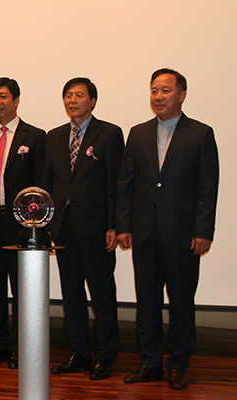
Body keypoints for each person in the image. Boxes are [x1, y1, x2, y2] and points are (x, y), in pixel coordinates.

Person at [117, 68, 219, 390]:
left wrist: (204, 231)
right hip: (144, 232)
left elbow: (208, 186)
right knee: (146, 301)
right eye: (154, 91)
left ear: (182, 95)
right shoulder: (138, 133)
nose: (158, 97)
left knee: (181, 302)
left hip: (183, 233)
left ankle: (177, 363)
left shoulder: (200, 133)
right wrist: (123, 225)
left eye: (165, 91)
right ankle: (150, 363)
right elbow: (126, 184)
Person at [43, 77, 124, 380]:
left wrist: (115, 225)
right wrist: (48, 224)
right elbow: (48, 183)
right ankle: (79, 352)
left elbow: (116, 183)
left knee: (102, 296)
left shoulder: (110, 134)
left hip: (97, 229)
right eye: (67, 95)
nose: (72, 100)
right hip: (63, 229)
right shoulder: (54, 136)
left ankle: (105, 355)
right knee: (71, 294)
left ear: (92, 101)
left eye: (79, 95)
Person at [0, 77, 46, 369]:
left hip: (20, 225)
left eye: (3, 96)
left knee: (22, 290)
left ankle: (21, 347)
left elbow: (40, 183)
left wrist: (35, 224)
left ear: (16, 100)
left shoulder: (35, 136)